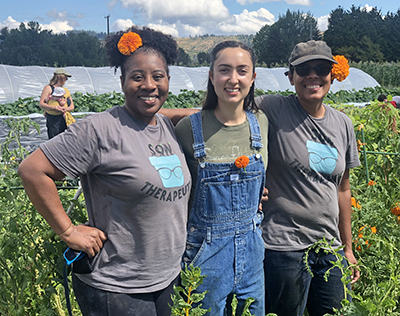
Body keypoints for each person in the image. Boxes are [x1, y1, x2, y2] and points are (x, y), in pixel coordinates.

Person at [18, 26, 191, 316]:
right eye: (137, 77)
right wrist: (69, 231)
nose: (149, 85)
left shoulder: (163, 125)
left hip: (166, 278)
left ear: (168, 81)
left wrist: (226, 112)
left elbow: (190, 115)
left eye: (157, 76)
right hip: (117, 286)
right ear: (122, 81)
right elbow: (32, 170)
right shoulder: (99, 130)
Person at [256, 40, 360, 316]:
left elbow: (343, 190)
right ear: (291, 77)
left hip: (329, 247)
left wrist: (347, 248)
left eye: (321, 68)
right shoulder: (272, 108)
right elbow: (224, 115)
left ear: (332, 76)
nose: (313, 75)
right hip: (284, 248)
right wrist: (158, 119)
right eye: (303, 69)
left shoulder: (343, 124)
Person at [175, 41, 269, 316]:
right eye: (224, 70)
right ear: (211, 76)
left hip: (252, 248)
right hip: (206, 250)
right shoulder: (188, 129)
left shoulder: (261, 123)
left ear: (253, 78)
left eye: (242, 71)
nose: (233, 79)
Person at [39, 68, 75, 139]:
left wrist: (66, 108)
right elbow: (41, 104)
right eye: (65, 77)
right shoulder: (49, 88)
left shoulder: (65, 90)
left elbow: (72, 106)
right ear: (59, 76)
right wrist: (54, 108)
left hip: (65, 119)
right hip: (54, 120)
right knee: (55, 140)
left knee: (66, 140)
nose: (66, 79)